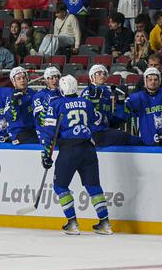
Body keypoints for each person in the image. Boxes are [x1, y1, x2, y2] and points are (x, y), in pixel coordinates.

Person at [40, 74, 113, 235]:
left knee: (60, 186)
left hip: (69, 149)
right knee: (93, 186)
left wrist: (46, 154)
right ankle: (105, 223)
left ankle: (72, 223)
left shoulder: (56, 104)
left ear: (62, 88)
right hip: (88, 148)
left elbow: (48, 132)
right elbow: (97, 121)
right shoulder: (86, 103)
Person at [125, 67, 162, 146]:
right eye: (150, 80)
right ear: (145, 81)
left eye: (155, 80)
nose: (153, 82)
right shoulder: (138, 97)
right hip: (149, 142)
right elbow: (125, 110)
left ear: (159, 81)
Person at [81, 64, 132, 147]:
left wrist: (120, 101)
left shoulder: (107, 92)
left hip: (104, 130)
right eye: (99, 73)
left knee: (128, 138)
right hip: (93, 132)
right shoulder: (88, 91)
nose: (102, 76)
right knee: (128, 138)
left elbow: (111, 118)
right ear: (92, 76)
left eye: (104, 73)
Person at [4, 66, 38, 144]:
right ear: (14, 82)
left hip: (32, 130)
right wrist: (13, 105)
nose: (22, 80)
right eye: (18, 79)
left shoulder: (32, 93)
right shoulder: (11, 96)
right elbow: (9, 116)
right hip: (18, 132)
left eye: (23, 77)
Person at [33, 67, 62, 143]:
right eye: (51, 78)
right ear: (46, 80)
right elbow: (39, 119)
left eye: (57, 77)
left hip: (60, 132)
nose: (55, 80)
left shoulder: (62, 93)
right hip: (45, 133)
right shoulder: (39, 96)